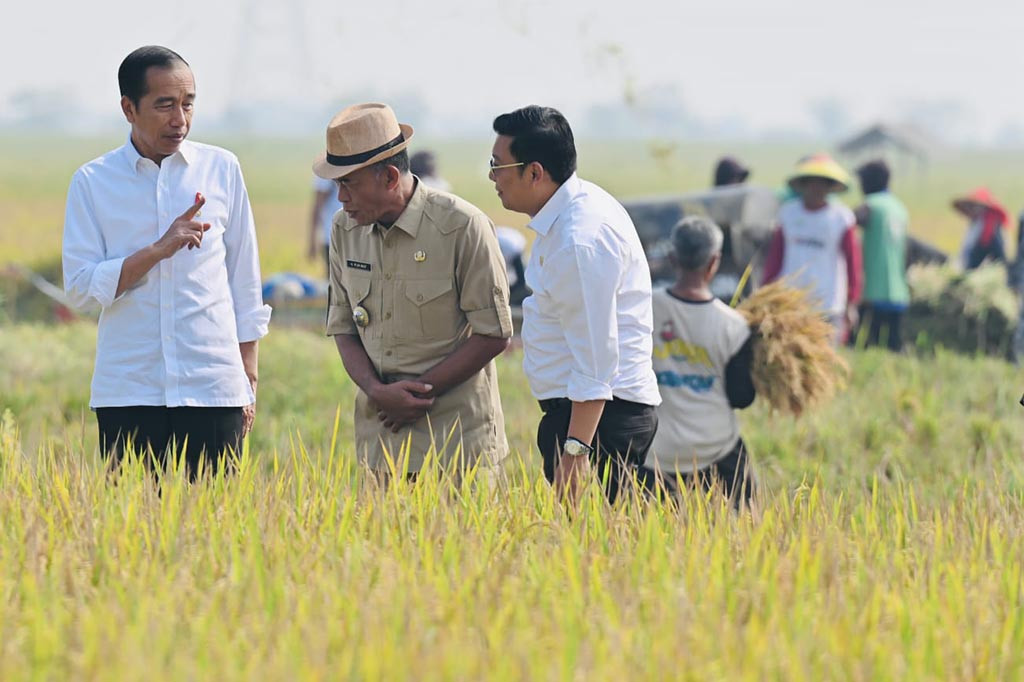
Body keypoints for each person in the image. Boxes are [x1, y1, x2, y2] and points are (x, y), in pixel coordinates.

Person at [62, 45, 270, 479]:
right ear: (128, 108)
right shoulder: (92, 182)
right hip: (129, 390)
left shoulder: (222, 169)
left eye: (188, 103)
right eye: (164, 105)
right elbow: (80, 288)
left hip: (213, 387)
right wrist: (158, 250)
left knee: (217, 530)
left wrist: (245, 376)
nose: (180, 119)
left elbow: (244, 281)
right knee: (131, 533)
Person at [316, 103, 512, 479]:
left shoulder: (463, 227)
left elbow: (494, 333)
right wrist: (377, 390)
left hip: (458, 449)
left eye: (348, 183)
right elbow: (342, 324)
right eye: (336, 185)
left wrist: (417, 392)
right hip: (382, 444)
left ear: (390, 177)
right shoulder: (345, 230)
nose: (340, 198)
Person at [489, 105, 660, 503]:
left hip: (602, 422)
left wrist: (575, 452)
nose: (493, 178)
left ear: (534, 172)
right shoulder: (574, 208)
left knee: (603, 551)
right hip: (590, 416)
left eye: (498, 167)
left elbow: (596, 363)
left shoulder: (578, 241)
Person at [640, 216, 756, 508]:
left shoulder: (642, 309)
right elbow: (741, 397)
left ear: (672, 257)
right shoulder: (735, 326)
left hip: (656, 451)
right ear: (714, 262)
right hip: (716, 447)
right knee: (744, 528)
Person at [762, 153, 863, 344]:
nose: (816, 188)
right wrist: (766, 291)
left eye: (822, 183)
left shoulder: (841, 218)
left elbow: (853, 263)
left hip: (828, 305)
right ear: (803, 184)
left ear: (830, 187)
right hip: (791, 302)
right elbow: (775, 258)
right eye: (811, 182)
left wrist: (852, 302)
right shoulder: (788, 214)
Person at [853, 160, 910, 351]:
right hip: (897, 289)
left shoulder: (870, 205)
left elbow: (845, 224)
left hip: (872, 290)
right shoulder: (899, 208)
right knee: (893, 346)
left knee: (865, 347)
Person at [952, 188, 1009, 270]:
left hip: (981, 269)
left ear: (983, 207)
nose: (971, 209)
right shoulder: (976, 223)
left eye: (973, 206)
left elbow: (997, 253)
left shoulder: (990, 226)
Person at [309, 174, 343, 275]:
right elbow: (317, 206)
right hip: (332, 237)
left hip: (354, 235)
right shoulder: (324, 171)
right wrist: (312, 240)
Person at [495, 226, 529, 306]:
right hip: (511, 244)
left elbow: (521, 279)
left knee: (521, 283)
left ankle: (518, 298)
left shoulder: (511, 246)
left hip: (513, 247)